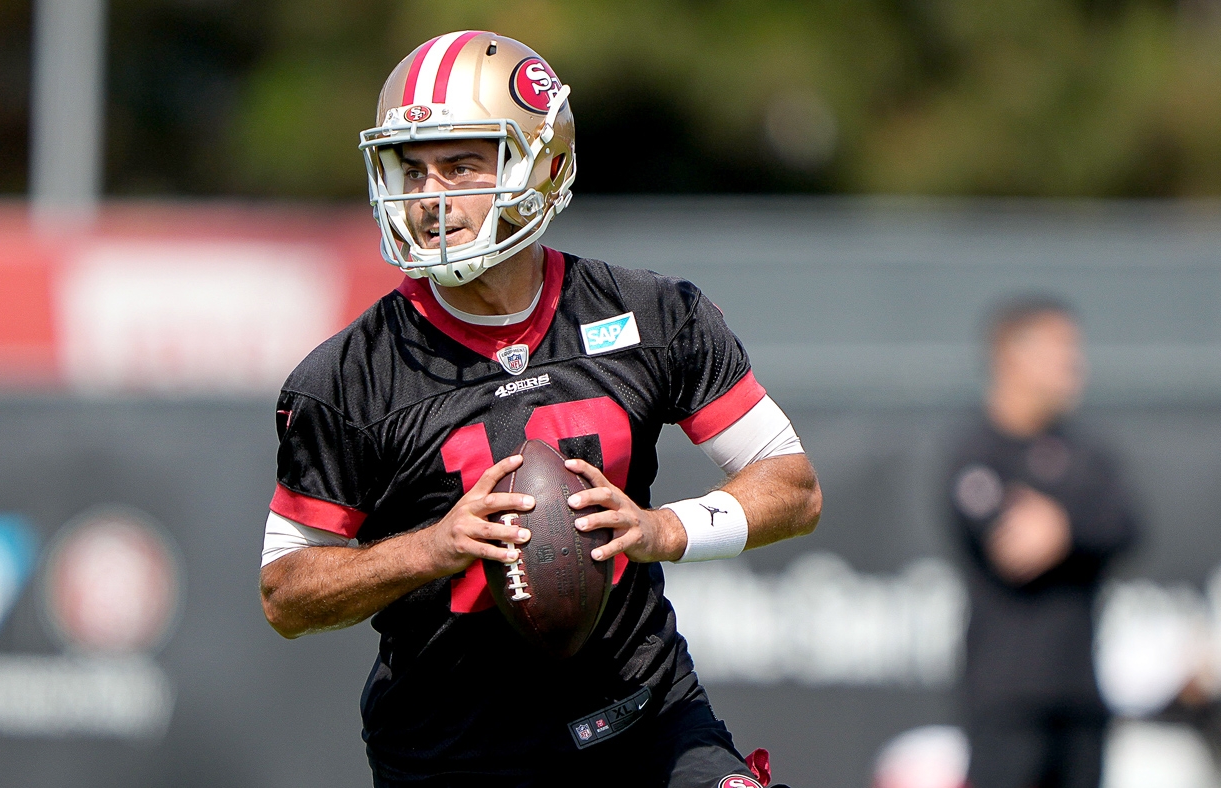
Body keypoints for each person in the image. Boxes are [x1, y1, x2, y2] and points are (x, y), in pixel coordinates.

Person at [258, 32, 820, 788]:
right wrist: (435, 547)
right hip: (455, 755)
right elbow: (286, 593)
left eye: (459, 165)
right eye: (410, 169)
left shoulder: (651, 313)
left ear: (543, 163)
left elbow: (791, 484)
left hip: (646, 722)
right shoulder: (347, 376)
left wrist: (665, 529)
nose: (429, 198)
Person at [946, 297, 1139, 788]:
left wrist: (1065, 527)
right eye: (1062, 351)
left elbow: (1125, 523)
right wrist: (1066, 528)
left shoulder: (1086, 451)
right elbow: (1012, 546)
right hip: (1006, 699)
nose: (1076, 366)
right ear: (1013, 356)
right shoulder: (975, 452)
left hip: (1080, 694)